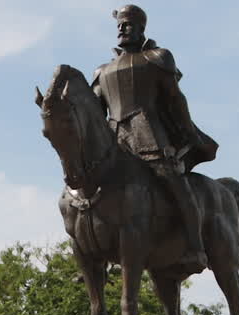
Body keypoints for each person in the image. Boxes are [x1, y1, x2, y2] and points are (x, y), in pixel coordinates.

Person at [92, 4, 218, 274]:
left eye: (127, 24)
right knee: (93, 193)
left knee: (175, 182)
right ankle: (98, 255)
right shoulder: (102, 71)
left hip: (149, 135)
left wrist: (188, 131)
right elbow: (94, 113)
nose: (121, 29)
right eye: (120, 25)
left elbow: (175, 99)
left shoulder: (157, 58)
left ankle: (196, 247)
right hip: (115, 142)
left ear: (140, 28)